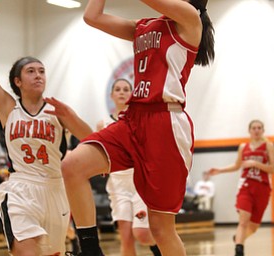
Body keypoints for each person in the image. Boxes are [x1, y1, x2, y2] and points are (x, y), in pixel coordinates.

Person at [46, 1, 215, 255]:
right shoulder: (144, 26)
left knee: (160, 229)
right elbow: (92, 16)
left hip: (166, 123)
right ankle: (90, 250)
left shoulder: (191, 19)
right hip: (134, 118)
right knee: (72, 166)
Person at [0, 0, 93, 255]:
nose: (38, 75)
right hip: (20, 189)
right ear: (18, 81)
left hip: (55, 189)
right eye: (31, 71)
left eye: (42, 71)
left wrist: (71, 116)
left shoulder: (57, 110)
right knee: (26, 252)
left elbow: (93, 139)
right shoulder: (7, 107)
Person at [96, 79, 161, 256]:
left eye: (126, 89)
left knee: (142, 234)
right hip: (117, 185)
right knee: (125, 237)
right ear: (111, 95)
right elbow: (100, 153)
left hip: (139, 182)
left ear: (132, 94)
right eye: (118, 89)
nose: (122, 92)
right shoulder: (103, 124)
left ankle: (161, 248)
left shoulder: (140, 120)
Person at [208, 120, 274, 256]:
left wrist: (255, 163)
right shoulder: (243, 147)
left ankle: (238, 238)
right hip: (246, 186)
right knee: (244, 219)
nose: (256, 130)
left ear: (263, 130)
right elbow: (237, 165)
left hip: (262, 188)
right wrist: (220, 170)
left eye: (259, 128)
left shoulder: (268, 146)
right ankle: (239, 249)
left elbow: (272, 168)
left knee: (254, 227)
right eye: (254, 128)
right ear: (249, 130)